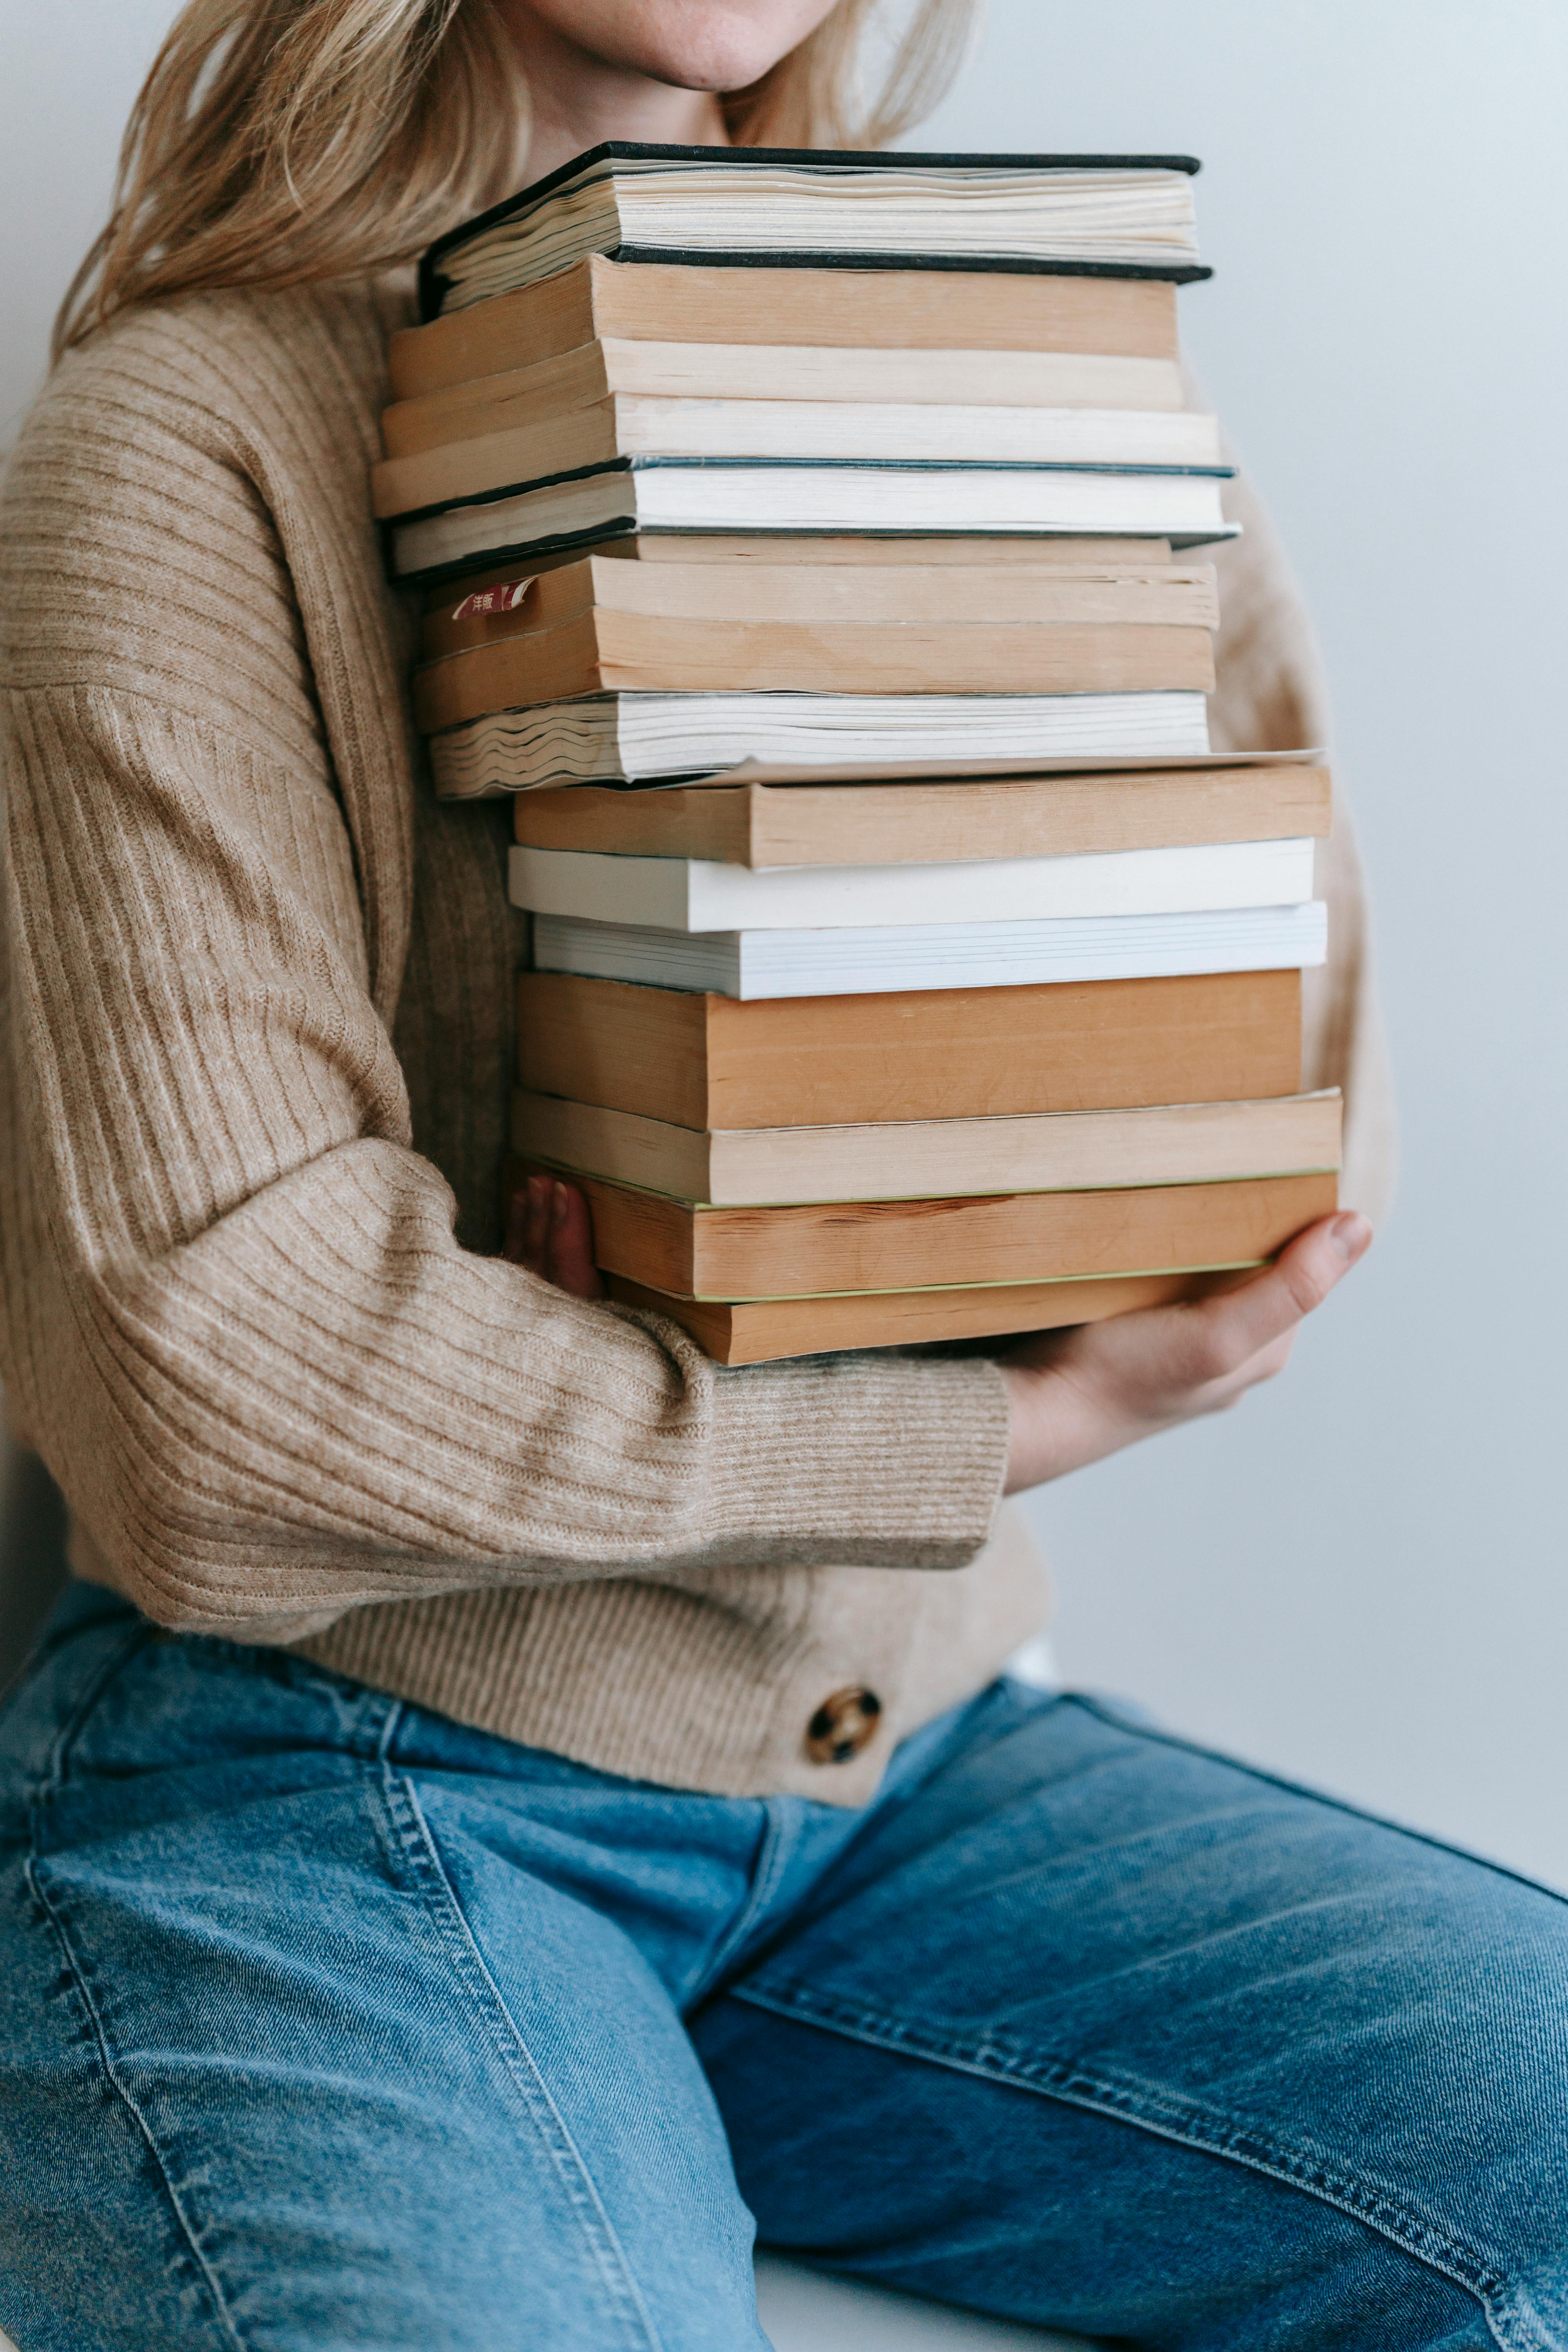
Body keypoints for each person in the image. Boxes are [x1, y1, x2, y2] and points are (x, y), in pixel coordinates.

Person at [0, 3, 1562, 2346]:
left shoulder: (1017, 375)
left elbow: (1292, 1086)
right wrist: (989, 1411)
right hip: (322, 1787)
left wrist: (686, 1283)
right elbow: (218, 1404)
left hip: (896, 1764)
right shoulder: (184, 439)